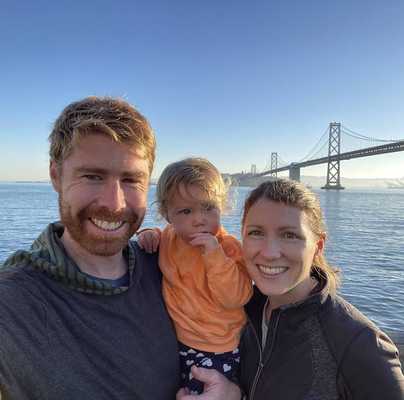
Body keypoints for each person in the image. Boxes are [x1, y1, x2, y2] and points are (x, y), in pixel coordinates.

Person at [0, 97, 180, 400]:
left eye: (131, 180)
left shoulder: (168, 267)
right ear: (56, 175)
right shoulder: (14, 303)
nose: (114, 203)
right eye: (93, 176)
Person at [178, 178, 404, 400]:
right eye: (256, 232)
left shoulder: (360, 346)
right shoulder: (240, 310)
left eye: (290, 235)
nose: (269, 252)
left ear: (318, 246)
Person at [137, 158, 252, 394]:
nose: (200, 219)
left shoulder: (228, 249)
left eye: (209, 208)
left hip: (217, 347)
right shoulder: (169, 237)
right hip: (174, 343)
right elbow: (159, 233)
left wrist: (214, 256)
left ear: (221, 206)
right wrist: (147, 233)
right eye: (186, 211)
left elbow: (236, 297)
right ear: (167, 215)